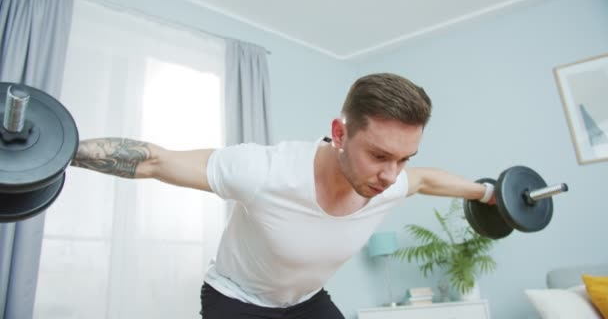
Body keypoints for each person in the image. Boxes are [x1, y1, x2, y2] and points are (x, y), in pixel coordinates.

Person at [70, 73, 496, 319]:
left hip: (307, 303)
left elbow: (427, 180)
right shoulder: (265, 170)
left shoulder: (392, 181)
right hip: (235, 302)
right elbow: (156, 162)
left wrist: (487, 193)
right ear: (339, 134)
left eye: (403, 158)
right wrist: (62, 153)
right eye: (379, 155)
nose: (391, 175)